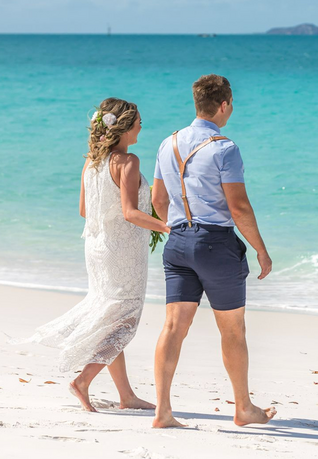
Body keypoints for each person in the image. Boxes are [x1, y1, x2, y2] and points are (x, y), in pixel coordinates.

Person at [28, 98, 170, 412]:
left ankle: (126, 396)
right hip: (122, 251)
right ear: (125, 126)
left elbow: (84, 210)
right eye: (139, 121)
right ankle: (83, 381)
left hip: (96, 247)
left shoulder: (92, 161)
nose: (141, 126)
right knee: (123, 322)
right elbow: (131, 212)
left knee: (110, 317)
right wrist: (168, 227)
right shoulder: (128, 161)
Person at [151, 74, 276, 429]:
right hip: (216, 244)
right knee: (233, 329)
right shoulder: (225, 148)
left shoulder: (168, 143)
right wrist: (261, 250)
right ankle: (243, 408)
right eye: (231, 104)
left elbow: (158, 200)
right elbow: (238, 208)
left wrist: (178, 227)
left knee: (173, 326)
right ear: (224, 105)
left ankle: (163, 411)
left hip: (177, 242)